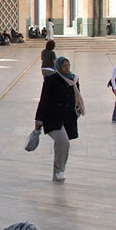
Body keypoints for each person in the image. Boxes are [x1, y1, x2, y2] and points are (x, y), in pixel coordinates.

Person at [34, 55, 85, 183]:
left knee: (62, 144)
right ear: (58, 66)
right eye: (64, 66)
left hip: (68, 118)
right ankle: (59, 171)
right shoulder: (51, 80)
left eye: (68, 66)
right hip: (52, 118)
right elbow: (44, 100)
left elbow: (76, 98)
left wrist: (77, 112)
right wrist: (38, 120)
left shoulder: (74, 79)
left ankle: (57, 174)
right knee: (63, 142)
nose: (66, 68)